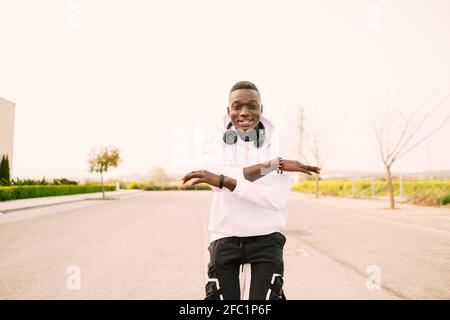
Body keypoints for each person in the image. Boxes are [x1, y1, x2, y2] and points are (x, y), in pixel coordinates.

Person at [182, 81, 320, 300]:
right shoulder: (215, 143)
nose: (244, 112)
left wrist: (227, 180)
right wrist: (271, 166)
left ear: (261, 109)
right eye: (237, 106)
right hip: (225, 235)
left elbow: (274, 200)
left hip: (266, 238)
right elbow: (214, 185)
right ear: (229, 111)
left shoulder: (280, 146)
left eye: (252, 106)